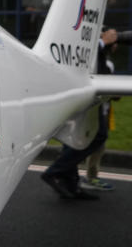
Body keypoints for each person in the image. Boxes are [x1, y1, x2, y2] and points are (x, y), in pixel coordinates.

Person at [42, 27, 130, 200]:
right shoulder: (92, 52)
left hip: (84, 102)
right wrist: (102, 44)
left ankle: (71, 186)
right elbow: (98, 74)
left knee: (74, 142)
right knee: (97, 136)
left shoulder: (100, 52)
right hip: (87, 103)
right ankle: (55, 172)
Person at [80, 28, 131, 192]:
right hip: (94, 111)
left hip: (101, 110)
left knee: (94, 144)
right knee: (96, 144)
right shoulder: (101, 62)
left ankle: (71, 175)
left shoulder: (105, 61)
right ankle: (89, 177)